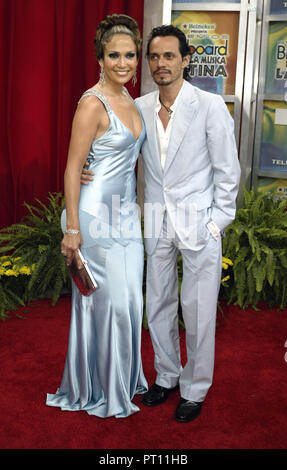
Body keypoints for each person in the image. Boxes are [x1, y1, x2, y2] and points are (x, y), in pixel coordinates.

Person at [82, 24, 241, 422]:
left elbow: (228, 171)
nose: (160, 63)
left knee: (199, 308)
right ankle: (167, 377)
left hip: (199, 222)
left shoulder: (209, 105)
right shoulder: (140, 105)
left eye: (169, 56)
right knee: (159, 303)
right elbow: (116, 148)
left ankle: (195, 388)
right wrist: (89, 167)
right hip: (155, 219)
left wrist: (215, 223)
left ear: (186, 60)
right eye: (153, 56)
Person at [46, 14, 148, 419]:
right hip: (92, 217)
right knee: (111, 305)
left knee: (128, 303)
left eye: (129, 55)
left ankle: (116, 378)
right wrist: (72, 229)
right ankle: (102, 389)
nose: (123, 62)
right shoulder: (93, 103)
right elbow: (73, 168)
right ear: (100, 59)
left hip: (126, 217)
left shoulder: (132, 101)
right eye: (113, 55)